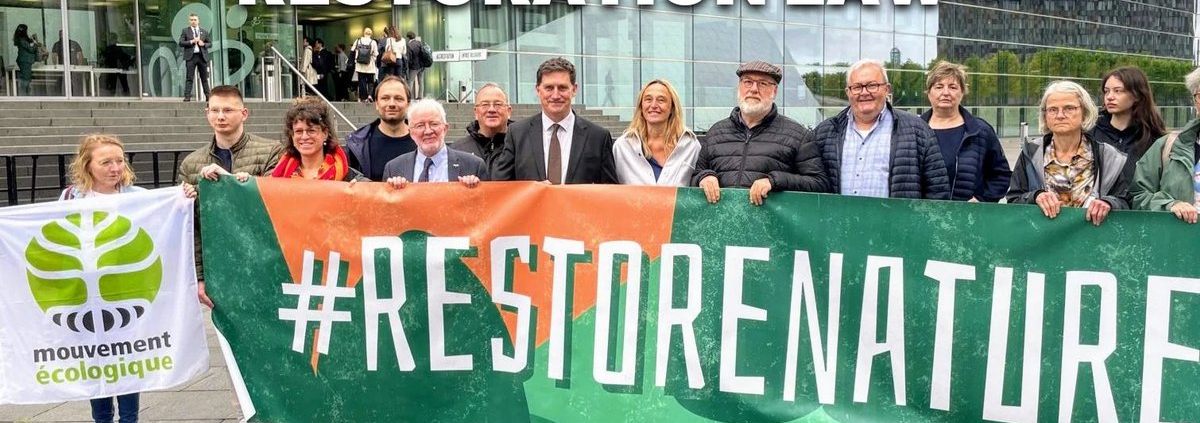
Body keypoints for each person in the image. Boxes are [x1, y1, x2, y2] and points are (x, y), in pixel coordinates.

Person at [59, 134, 197, 423]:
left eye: (119, 161)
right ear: (87, 165)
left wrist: (182, 198)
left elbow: (166, 224)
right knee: (96, 361)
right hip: (86, 296)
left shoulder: (140, 198)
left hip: (129, 294)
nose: (115, 168)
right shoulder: (71, 198)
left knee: (127, 361)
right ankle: (102, 418)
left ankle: (130, 419)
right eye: (106, 162)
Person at [177, 85, 283, 306]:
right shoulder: (191, 163)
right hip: (220, 268)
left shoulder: (272, 151)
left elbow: (275, 205)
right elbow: (190, 227)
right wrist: (199, 276)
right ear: (207, 113)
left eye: (228, 110)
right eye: (214, 110)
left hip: (265, 263)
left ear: (244, 113)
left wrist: (233, 183)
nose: (220, 116)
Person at [693, 61, 827, 205]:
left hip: (770, 225)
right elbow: (695, 175)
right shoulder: (715, 132)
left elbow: (820, 184)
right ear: (739, 87)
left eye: (763, 84)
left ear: (774, 91)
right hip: (722, 224)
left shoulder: (799, 136)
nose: (754, 89)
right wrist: (704, 177)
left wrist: (775, 181)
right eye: (748, 82)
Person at [813, 59, 949, 199]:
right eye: (857, 87)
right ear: (848, 92)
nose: (864, 92)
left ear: (887, 89)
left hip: (897, 220)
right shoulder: (825, 133)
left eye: (872, 85)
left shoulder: (918, 131)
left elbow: (937, 192)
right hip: (838, 220)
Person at [1007, 80, 1131, 226]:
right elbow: (1013, 201)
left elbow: (1126, 203)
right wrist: (1035, 196)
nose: (1060, 115)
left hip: (1094, 241)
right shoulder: (1031, 153)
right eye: (1053, 109)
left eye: (1069, 108)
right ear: (1045, 116)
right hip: (1042, 242)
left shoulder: (1108, 156)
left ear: (1084, 112)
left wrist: (1109, 203)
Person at [492, 57, 617, 184]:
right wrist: (532, 191)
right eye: (549, 88)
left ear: (574, 90)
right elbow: (502, 188)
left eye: (562, 88)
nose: (556, 95)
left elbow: (609, 192)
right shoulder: (517, 134)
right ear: (538, 90)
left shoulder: (598, 138)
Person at [919, 61, 1011, 202]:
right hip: (924, 217)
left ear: (962, 92)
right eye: (939, 87)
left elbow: (1001, 175)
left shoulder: (980, 130)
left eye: (953, 87)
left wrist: (982, 199)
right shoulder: (914, 130)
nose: (946, 93)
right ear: (929, 93)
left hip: (969, 218)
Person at [1132, 67, 1200, 223]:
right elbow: (1138, 196)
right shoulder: (1168, 146)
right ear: (1194, 101)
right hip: (1179, 242)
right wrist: (1169, 205)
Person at [383, 99, 487, 187]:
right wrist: (394, 191)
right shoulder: (393, 169)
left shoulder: (473, 166)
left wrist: (471, 191)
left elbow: (485, 207)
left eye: (434, 124)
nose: (428, 131)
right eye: (420, 126)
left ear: (445, 128)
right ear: (411, 133)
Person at [615, 79, 700, 187]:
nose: (653, 105)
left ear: (672, 108)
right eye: (648, 99)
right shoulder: (622, 147)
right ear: (641, 107)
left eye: (661, 100)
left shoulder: (690, 146)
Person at [268, 99, 366, 181]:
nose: (304, 136)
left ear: (325, 134)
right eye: (298, 131)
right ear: (292, 136)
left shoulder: (350, 178)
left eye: (311, 131)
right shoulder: (276, 177)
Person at [1090, 66, 1168, 162]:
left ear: (1137, 95)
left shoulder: (1154, 140)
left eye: (1117, 91)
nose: (1109, 97)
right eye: (1106, 91)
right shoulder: (1090, 134)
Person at [344, 75, 414, 181]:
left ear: (408, 104)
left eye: (398, 98)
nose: (391, 104)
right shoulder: (358, 146)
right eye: (385, 98)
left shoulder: (423, 141)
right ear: (376, 104)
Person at [451, 83, 513, 169]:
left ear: (509, 111)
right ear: (476, 112)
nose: (491, 109)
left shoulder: (522, 147)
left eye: (498, 104)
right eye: (485, 105)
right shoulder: (457, 150)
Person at [179, 13, 212, 102]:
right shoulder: (185, 31)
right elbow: (181, 43)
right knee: (189, 77)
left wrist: (204, 44)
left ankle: (208, 96)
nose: (193, 21)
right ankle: (187, 96)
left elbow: (210, 43)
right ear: (189, 21)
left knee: (204, 78)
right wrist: (192, 41)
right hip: (191, 57)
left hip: (202, 57)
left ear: (198, 21)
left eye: (195, 20)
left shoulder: (204, 31)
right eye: (192, 20)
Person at [13, 24, 40, 96]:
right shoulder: (22, 40)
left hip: (24, 60)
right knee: (25, 79)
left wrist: (31, 40)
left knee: (25, 78)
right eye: (26, 30)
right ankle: (23, 96)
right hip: (25, 61)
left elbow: (27, 45)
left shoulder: (20, 39)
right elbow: (31, 49)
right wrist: (35, 44)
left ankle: (25, 95)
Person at [353, 28, 378, 102]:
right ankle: (370, 95)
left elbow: (353, 49)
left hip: (360, 64)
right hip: (369, 64)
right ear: (371, 34)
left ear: (364, 33)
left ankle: (363, 97)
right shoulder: (373, 42)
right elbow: (376, 53)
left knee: (362, 81)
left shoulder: (358, 40)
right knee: (371, 81)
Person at [405, 31, 426, 99]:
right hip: (422, 65)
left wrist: (409, 65)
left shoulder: (409, 45)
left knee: (411, 81)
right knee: (421, 81)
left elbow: (409, 57)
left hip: (414, 66)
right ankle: (420, 96)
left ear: (408, 38)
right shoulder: (419, 43)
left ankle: (409, 97)